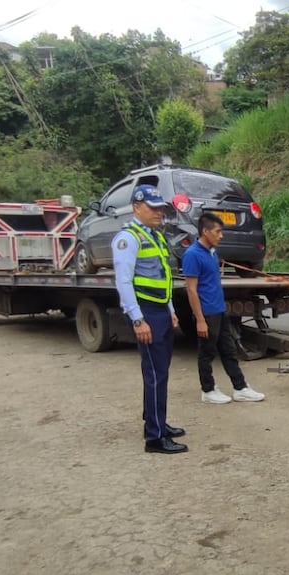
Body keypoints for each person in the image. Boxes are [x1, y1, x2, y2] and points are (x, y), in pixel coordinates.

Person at [113, 184, 188, 455]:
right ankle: (155, 439)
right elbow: (123, 281)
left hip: (159, 311)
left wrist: (170, 309)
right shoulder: (128, 238)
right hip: (145, 312)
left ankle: (157, 423)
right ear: (136, 207)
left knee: (161, 372)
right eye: (152, 208)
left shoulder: (154, 237)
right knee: (155, 375)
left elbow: (161, 277)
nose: (158, 212)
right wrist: (137, 319)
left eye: (160, 208)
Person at [182, 212, 266, 405]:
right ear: (205, 231)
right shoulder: (193, 255)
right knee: (207, 353)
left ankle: (240, 388)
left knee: (229, 351)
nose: (221, 236)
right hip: (207, 313)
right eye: (218, 231)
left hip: (219, 310)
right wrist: (200, 320)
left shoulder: (211, 252)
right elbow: (191, 290)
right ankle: (208, 390)